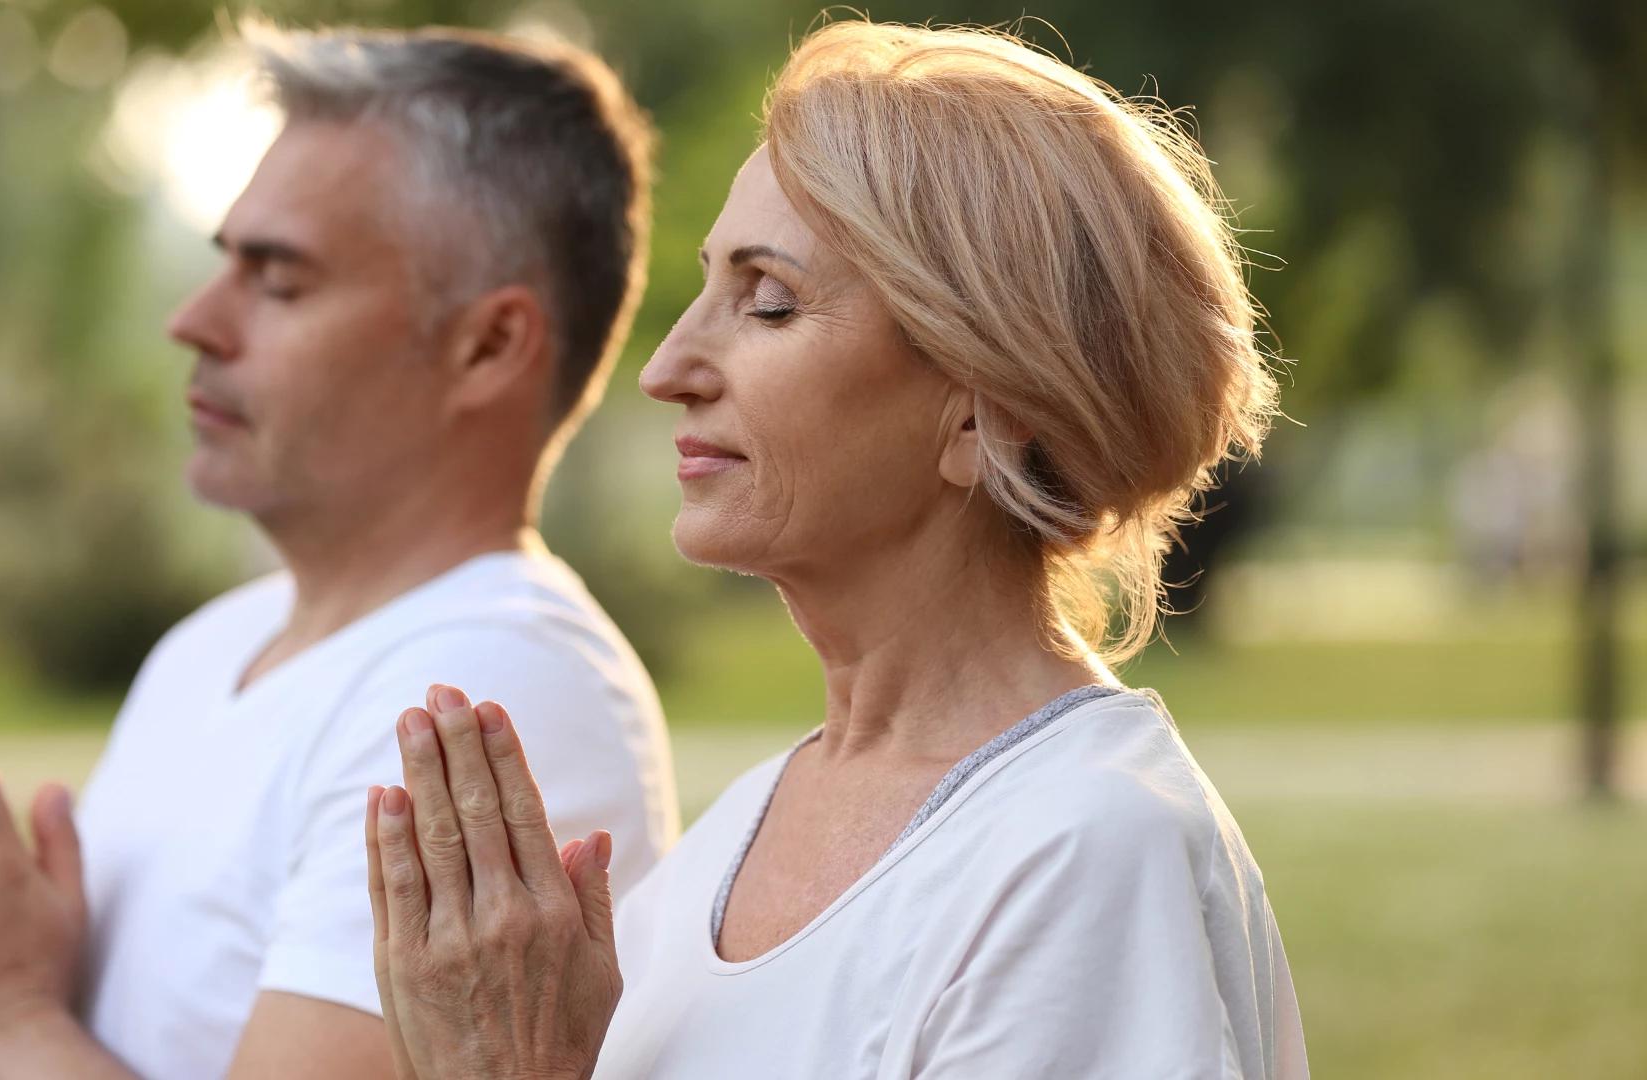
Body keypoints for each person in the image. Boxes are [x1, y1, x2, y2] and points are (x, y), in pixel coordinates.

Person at [362, 20, 1309, 1080]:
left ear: (985, 409)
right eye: (706, 288)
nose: (668, 366)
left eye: (769, 303)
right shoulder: (731, 840)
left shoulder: (1082, 851)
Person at [0, 25, 677, 1080]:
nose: (194, 321)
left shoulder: (481, 695)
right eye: (223, 263)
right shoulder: (212, 647)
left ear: (487, 346)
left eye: (278, 281)